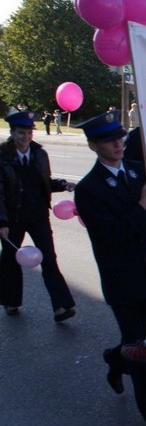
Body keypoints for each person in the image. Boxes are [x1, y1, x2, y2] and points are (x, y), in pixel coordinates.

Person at [73, 110, 146, 426]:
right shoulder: (88, 189)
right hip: (121, 280)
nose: (118, 143)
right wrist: (142, 205)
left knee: (144, 340)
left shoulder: (141, 171)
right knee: (143, 349)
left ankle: (115, 359)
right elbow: (111, 235)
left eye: (120, 136)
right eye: (109, 139)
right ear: (93, 146)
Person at [0, 110, 77, 322]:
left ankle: (61, 306)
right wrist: (2, 221)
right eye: (21, 133)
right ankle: (11, 301)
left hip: (38, 215)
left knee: (49, 258)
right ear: (12, 133)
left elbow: (44, 183)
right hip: (13, 218)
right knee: (10, 259)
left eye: (28, 133)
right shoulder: (3, 157)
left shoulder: (39, 154)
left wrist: (62, 184)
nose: (26, 137)